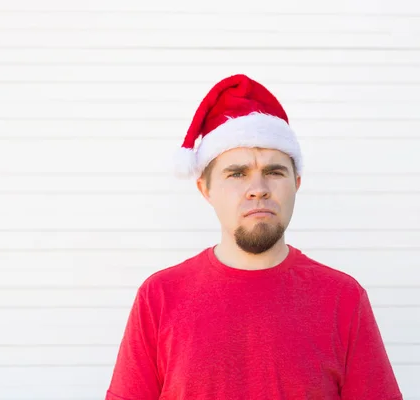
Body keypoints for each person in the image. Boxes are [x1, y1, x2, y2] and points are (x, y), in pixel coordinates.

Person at [105, 74, 403, 400]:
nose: (258, 189)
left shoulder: (344, 299)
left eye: (275, 172)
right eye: (237, 173)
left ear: (297, 184)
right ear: (205, 189)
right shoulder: (159, 297)